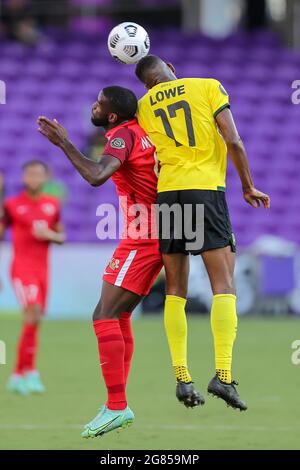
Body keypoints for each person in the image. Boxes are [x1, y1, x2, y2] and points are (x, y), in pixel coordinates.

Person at [135, 55, 271, 410]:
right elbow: (234, 140)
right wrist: (248, 186)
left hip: (169, 193)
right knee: (223, 286)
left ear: (147, 84)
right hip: (204, 189)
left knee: (175, 289)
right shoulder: (208, 86)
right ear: (171, 70)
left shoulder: (144, 106)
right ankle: (223, 376)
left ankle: (182, 378)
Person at [37, 86, 167, 438]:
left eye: (98, 103)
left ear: (110, 115)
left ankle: (116, 406)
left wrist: (64, 143)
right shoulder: (142, 129)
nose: (92, 107)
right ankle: (116, 403)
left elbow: (96, 176)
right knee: (118, 314)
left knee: (104, 316)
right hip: (147, 233)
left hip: (145, 236)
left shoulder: (122, 136)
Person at [0, 161, 65, 395]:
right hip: (21, 268)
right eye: (30, 174)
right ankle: (28, 372)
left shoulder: (52, 205)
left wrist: (50, 234)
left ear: (46, 177)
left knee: (35, 320)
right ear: (24, 178)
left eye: (39, 174)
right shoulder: (12, 205)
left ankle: (20, 373)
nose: (34, 178)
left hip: (42, 270)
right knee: (33, 313)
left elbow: (61, 236)